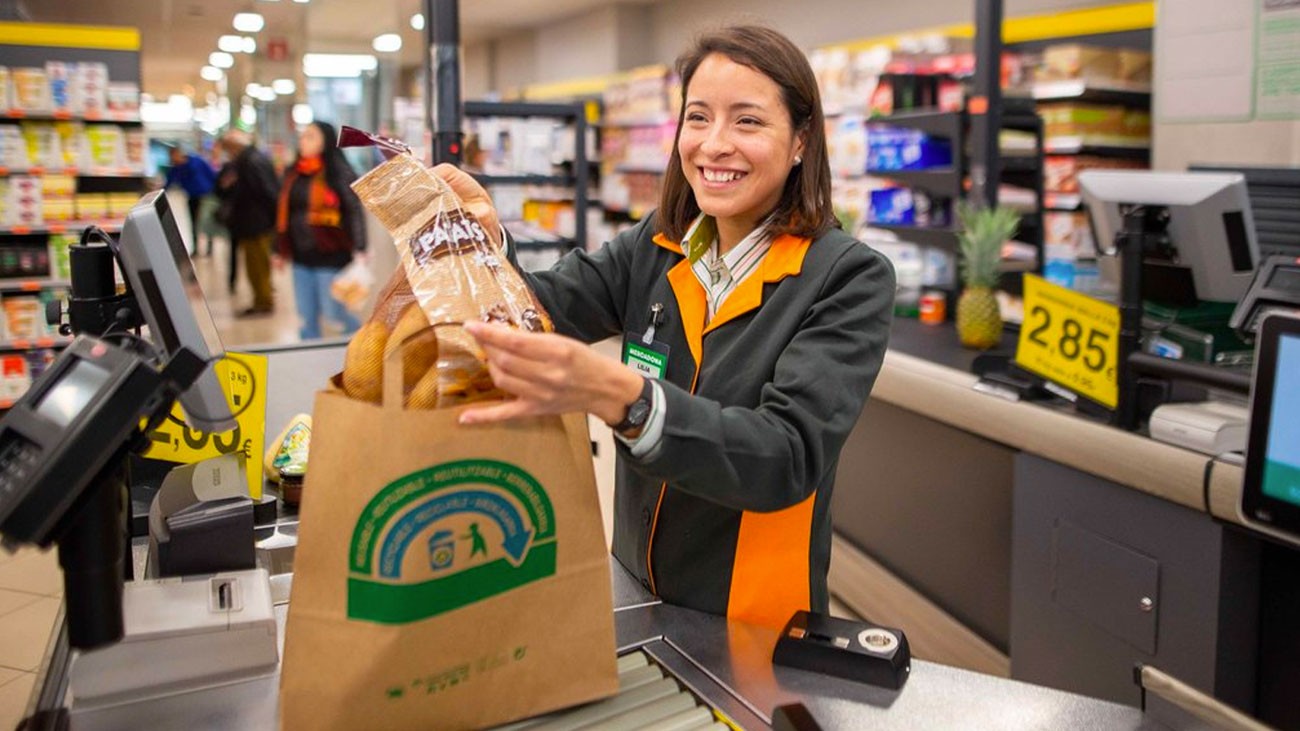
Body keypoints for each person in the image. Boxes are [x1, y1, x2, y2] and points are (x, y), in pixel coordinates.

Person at [438, 26, 895, 629]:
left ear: (802, 142)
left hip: (753, 617)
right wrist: (483, 237)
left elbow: (784, 455)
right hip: (635, 586)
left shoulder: (846, 278)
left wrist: (622, 397)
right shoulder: (657, 246)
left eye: (748, 122)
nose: (714, 144)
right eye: (698, 117)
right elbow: (538, 309)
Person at [273, 121, 367, 340]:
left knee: (335, 312)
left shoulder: (338, 173)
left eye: (310, 136)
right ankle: (309, 359)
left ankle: (361, 345)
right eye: (303, 136)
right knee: (306, 315)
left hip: (331, 255)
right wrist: (278, 249)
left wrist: (361, 247)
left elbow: (354, 211)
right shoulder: (293, 173)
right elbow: (283, 212)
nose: (303, 140)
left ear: (325, 141)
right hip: (300, 256)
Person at [215, 129, 280, 317]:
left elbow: (266, 191)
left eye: (228, 147)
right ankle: (261, 300)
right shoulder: (252, 158)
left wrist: (271, 219)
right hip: (254, 221)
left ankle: (263, 302)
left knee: (258, 264)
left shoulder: (249, 161)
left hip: (255, 222)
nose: (228, 152)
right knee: (256, 264)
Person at [163, 145, 217, 256]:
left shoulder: (197, 161)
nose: (173, 159)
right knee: (193, 222)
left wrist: (216, 190)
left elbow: (211, 174)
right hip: (192, 196)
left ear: (179, 153)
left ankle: (209, 247)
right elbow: (168, 183)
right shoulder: (176, 169)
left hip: (206, 195)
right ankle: (196, 247)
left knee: (207, 220)